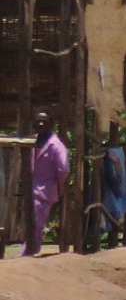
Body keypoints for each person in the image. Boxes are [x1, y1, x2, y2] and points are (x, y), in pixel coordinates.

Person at [24, 109, 66, 257]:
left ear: (51, 124)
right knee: (31, 223)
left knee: (36, 224)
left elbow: (64, 169)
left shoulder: (55, 145)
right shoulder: (33, 141)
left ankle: (29, 254)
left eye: (45, 121)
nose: (41, 123)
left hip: (44, 191)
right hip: (31, 189)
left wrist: (58, 187)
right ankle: (28, 252)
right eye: (38, 121)